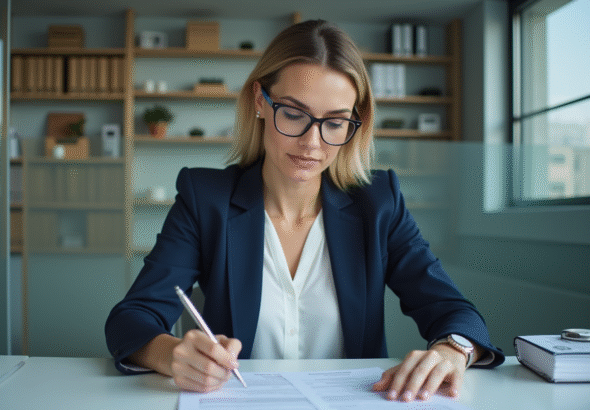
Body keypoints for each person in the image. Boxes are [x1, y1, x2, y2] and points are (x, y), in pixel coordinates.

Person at [105, 19, 504, 402]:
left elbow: (455, 311)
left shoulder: (378, 202)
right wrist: (172, 354)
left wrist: (453, 349)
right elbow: (132, 317)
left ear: (355, 124)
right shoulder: (205, 198)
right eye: (294, 114)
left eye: (334, 122)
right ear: (260, 101)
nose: (312, 142)